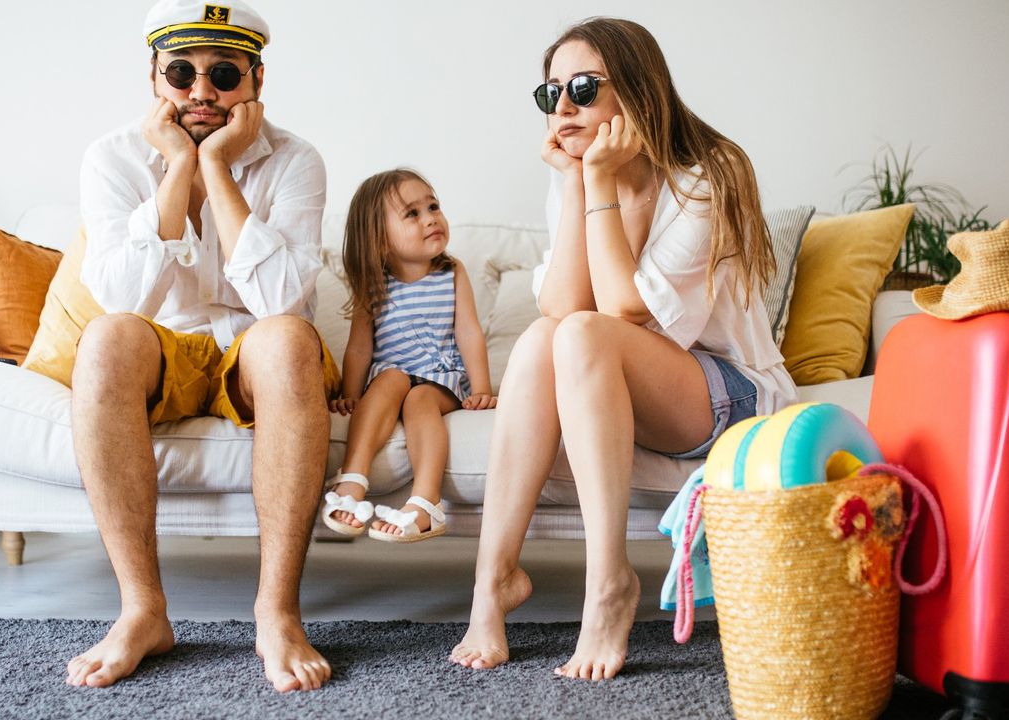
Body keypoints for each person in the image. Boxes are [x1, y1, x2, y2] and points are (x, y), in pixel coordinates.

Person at [449, 18, 797, 680]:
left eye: (582, 87)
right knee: (542, 337)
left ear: (636, 91)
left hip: (733, 395)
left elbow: (622, 311)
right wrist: (579, 183)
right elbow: (559, 306)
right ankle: (491, 583)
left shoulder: (707, 176)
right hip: (634, 381)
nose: (563, 108)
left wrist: (599, 182)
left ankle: (610, 583)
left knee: (581, 332)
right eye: (549, 93)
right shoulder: (576, 177)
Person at [62, 0, 339, 692]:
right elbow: (125, 303)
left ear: (256, 79)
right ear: (155, 80)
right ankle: (142, 611)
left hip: (258, 353)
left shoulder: (297, 161)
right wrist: (176, 169)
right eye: (181, 73)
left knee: (284, 339)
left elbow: (279, 303)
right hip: (168, 349)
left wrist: (217, 168)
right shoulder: (112, 158)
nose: (201, 93)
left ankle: (277, 613)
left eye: (223, 75)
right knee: (105, 340)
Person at [322, 169, 496, 542]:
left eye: (433, 206)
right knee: (391, 379)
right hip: (391, 373)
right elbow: (360, 347)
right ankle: (353, 478)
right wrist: (350, 393)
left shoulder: (451, 271)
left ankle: (424, 503)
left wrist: (480, 386)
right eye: (412, 213)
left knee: (419, 398)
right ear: (380, 240)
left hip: (440, 377)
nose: (431, 217)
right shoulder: (374, 282)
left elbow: (468, 332)